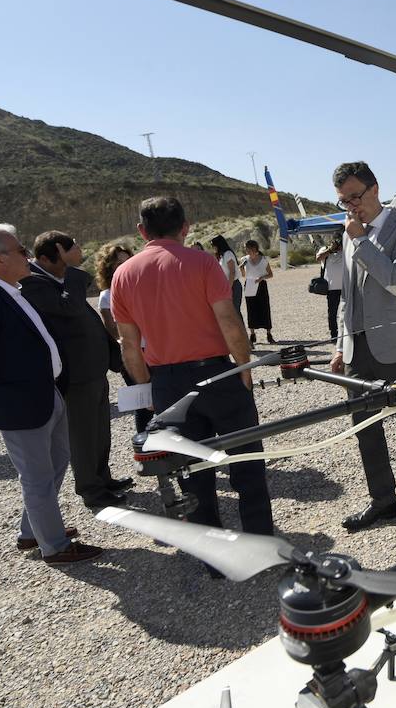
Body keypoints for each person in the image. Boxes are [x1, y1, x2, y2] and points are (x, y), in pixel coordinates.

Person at [112, 197, 275, 549]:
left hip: (167, 382)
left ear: (142, 231)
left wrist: (146, 389)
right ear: (185, 228)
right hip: (216, 374)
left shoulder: (123, 274)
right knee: (246, 462)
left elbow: (128, 344)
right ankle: (262, 544)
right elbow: (229, 320)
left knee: (192, 472)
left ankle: (212, 555)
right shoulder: (201, 261)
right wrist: (244, 367)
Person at [0, 223, 102, 564]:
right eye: (21, 250)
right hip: (19, 401)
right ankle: (54, 546)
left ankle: (32, 530)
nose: (28, 256)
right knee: (36, 475)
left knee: (56, 462)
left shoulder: (11, 289)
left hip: (46, 393)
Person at [329, 161, 396, 531]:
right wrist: (341, 346)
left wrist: (360, 239)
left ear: (375, 189)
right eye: (344, 201)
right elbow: (347, 296)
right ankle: (384, 501)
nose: (351, 207)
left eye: (355, 197)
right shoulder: (349, 233)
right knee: (366, 430)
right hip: (359, 351)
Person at [20, 231, 132, 508]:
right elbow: (68, 310)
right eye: (68, 251)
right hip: (75, 376)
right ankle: (90, 489)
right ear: (47, 258)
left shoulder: (56, 279)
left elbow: (85, 319)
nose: (76, 253)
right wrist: (71, 270)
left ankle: (103, 478)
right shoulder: (33, 283)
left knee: (99, 431)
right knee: (82, 436)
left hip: (92, 371)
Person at [95, 243, 150, 434]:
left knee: (163, 401)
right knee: (144, 403)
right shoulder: (106, 295)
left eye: (128, 260)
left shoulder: (143, 286)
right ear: (108, 267)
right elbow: (113, 330)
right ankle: (145, 451)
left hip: (156, 350)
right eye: (119, 263)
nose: (125, 265)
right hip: (133, 354)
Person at [241, 239, 275, 346]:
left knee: (264, 308)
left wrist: (261, 278)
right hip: (250, 285)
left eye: (248, 248)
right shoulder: (244, 259)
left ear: (254, 248)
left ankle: (269, 334)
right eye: (246, 249)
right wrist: (241, 268)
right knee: (251, 309)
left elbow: (270, 274)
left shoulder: (263, 260)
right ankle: (252, 334)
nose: (246, 251)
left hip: (261, 286)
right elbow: (243, 275)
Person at [315, 235, 344, 341]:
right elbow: (318, 258)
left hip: (346, 285)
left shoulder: (346, 249)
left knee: (348, 311)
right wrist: (330, 250)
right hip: (332, 287)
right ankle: (334, 334)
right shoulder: (325, 250)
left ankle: (348, 332)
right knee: (332, 312)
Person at [210, 235, 244, 324]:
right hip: (227, 286)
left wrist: (228, 287)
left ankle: (243, 335)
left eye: (214, 246)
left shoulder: (228, 254)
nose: (213, 248)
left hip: (233, 285)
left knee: (235, 311)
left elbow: (232, 272)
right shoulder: (221, 256)